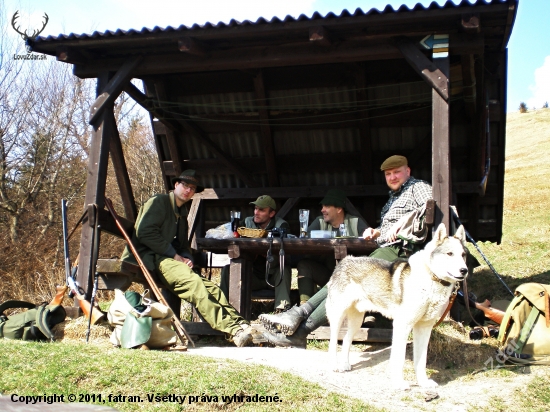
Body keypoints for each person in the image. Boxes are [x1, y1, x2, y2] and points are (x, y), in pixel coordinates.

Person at [259, 155, 432, 348]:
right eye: (388, 174)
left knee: (345, 276)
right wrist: (378, 231)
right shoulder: (393, 199)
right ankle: (299, 325)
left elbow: (432, 205)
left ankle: (299, 322)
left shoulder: (418, 187)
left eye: (396, 172)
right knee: (343, 280)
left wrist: (401, 223)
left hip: (402, 251)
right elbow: (389, 228)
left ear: (408, 171)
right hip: (385, 249)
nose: (392, 177)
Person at [120, 170, 254, 347]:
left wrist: (186, 257)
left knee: (211, 288)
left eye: (192, 188)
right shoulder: (158, 202)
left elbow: (182, 245)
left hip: (168, 259)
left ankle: (241, 324)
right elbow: (145, 232)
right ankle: (233, 330)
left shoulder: (182, 215)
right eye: (185, 185)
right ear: (176, 185)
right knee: (195, 284)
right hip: (150, 258)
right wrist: (175, 256)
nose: (188, 190)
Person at [219, 195, 292, 311]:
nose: (256, 213)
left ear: (271, 214)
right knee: (228, 270)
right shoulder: (247, 222)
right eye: (255, 209)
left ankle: (282, 310)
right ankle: (221, 309)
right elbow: (233, 234)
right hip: (251, 276)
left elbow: (284, 248)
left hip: (272, 277)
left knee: (285, 270)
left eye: (261, 210)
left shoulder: (281, 225)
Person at [297, 189, 369, 303]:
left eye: (326, 206)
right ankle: (304, 306)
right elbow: (304, 241)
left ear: (339, 209)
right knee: (304, 265)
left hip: (352, 279)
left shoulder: (356, 222)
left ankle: (367, 312)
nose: (322, 210)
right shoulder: (319, 222)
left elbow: (370, 246)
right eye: (322, 206)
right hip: (327, 275)